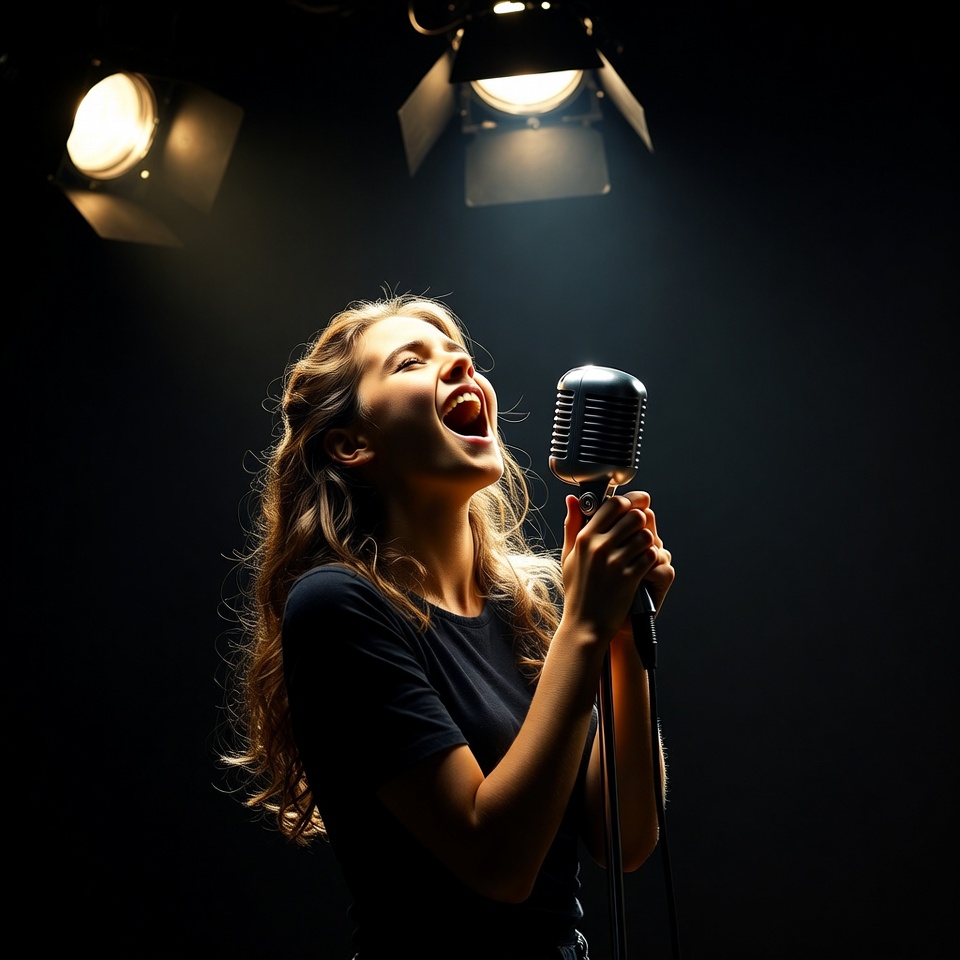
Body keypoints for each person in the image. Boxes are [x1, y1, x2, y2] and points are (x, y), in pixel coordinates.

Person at [225, 294, 675, 959]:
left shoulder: (532, 604)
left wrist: (619, 636)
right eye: (411, 361)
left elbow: (626, 838)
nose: (458, 361)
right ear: (351, 443)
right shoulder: (336, 608)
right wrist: (584, 624)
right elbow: (498, 862)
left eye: (457, 351)